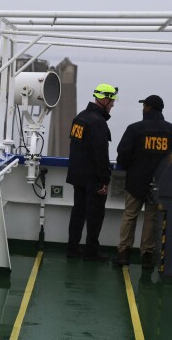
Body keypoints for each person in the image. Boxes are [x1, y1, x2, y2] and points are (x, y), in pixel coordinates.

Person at [112, 95, 172, 269]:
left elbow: (123, 153)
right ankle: (147, 256)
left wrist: (131, 166)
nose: (143, 108)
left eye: (144, 105)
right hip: (160, 183)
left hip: (136, 180)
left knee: (130, 216)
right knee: (151, 219)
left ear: (149, 108)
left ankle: (123, 253)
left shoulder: (135, 129)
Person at [66, 83, 118, 261]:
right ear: (104, 99)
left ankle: (72, 249)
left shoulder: (80, 117)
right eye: (111, 101)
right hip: (92, 177)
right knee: (95, 215)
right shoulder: (98, 123)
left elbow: (75, 147)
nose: (112, 105)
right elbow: (101, 154)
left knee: (78, 212)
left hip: (77, 175)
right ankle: (91, 252)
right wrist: (105, 180)